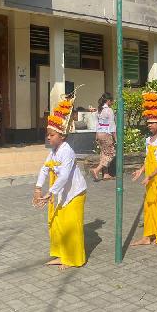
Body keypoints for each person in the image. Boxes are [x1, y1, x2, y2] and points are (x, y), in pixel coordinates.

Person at [33, 90, 87, 270]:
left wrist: (50, 193)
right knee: (57, 224)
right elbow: (44, 168)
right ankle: (62, 255)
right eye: (47, 134)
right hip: (62, 193)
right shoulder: (53, 151)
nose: (48, 137)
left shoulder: (67, 151)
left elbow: (64, 175)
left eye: (52, 135)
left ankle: (74, 259)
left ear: (62, 136)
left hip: (75, 193)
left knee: (71, 226)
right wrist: (38, 188)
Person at [131, 90, 157, 246]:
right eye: (148, 123)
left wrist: (149, 176)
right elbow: (148, 159)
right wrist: (141, 171)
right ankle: (147, 237)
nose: (149, 125)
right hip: (150, 178)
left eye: (152, 122)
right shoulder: (148, 140)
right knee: (148, 206)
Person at [90, 92, 116, 181]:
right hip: (106, 134)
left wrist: (96, 135)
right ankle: (97, 170)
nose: (112, 102)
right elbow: (112, 126)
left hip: (99, 133)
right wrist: (115, 138)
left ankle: (106, 174)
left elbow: (97, 124)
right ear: (108, 101)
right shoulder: (109, 110)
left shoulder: (99, 110)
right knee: (111, 154)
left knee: (104, 153)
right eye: (112, 101)